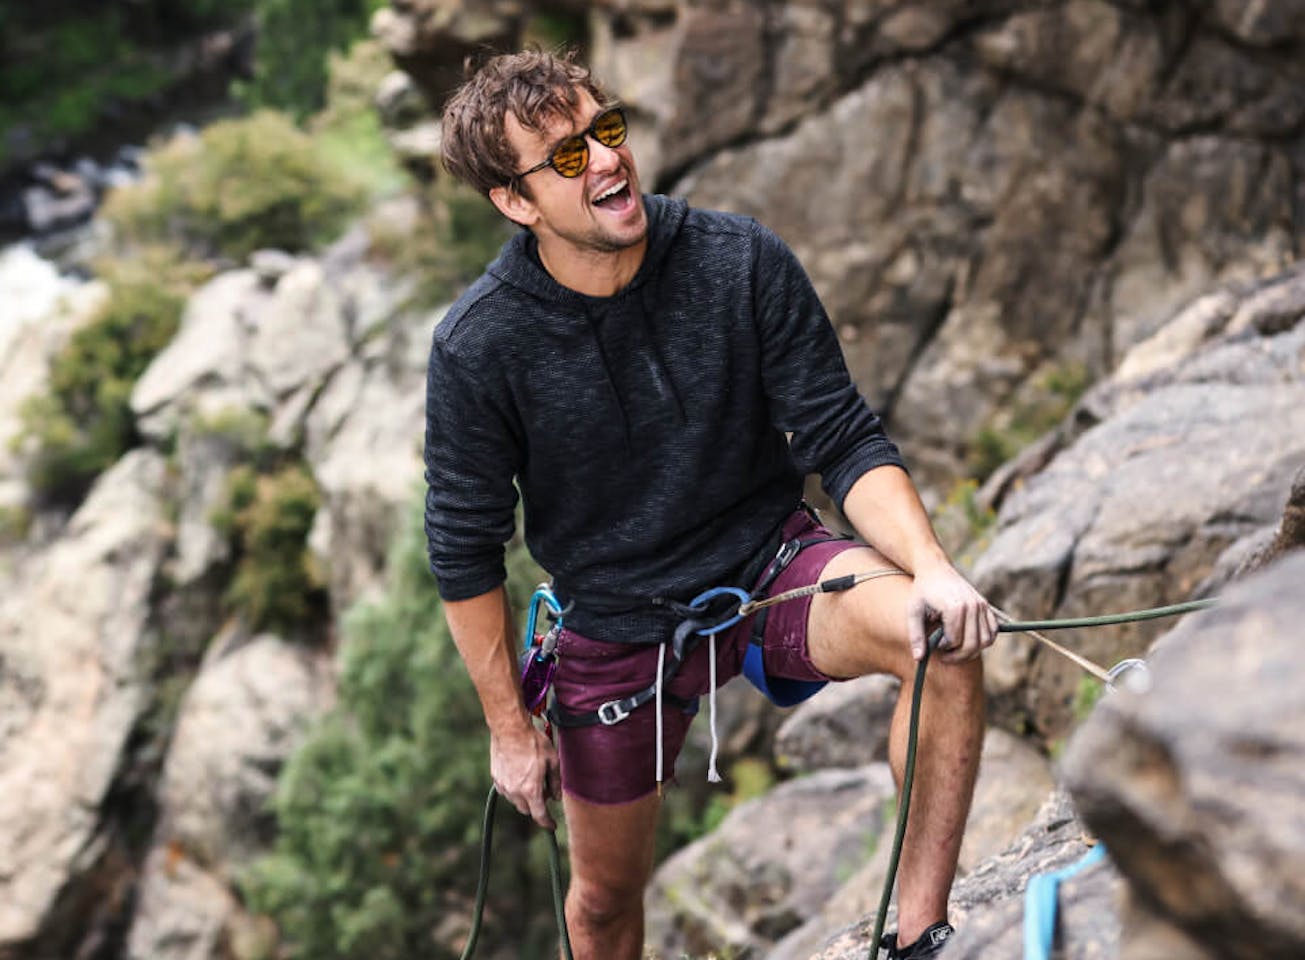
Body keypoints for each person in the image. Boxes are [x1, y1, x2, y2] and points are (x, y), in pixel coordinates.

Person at [424, 49, 997, 960]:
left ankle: (920, 936)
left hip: (767, 564)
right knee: (604, 906)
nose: (606, 160)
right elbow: (463, 550)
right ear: (515, 202)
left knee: (940, 642)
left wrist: (931, 569)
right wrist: (508, 729)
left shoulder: (737, 260)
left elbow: (841, 437)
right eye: (566, 157)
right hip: (612, 624)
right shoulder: (479, 346)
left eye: (604, 131)